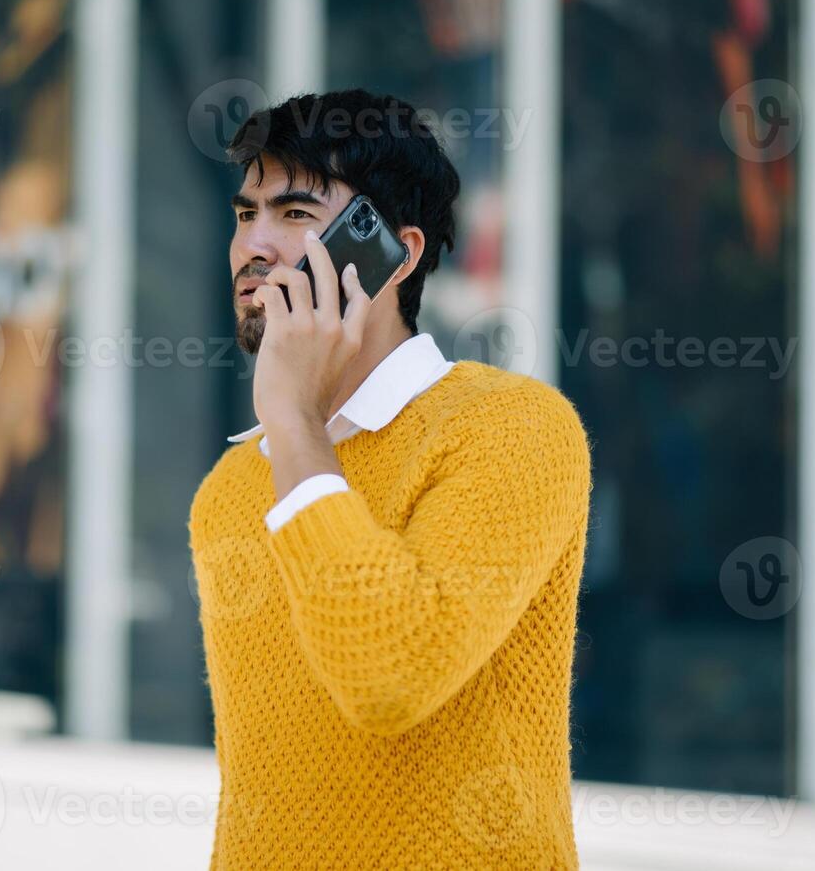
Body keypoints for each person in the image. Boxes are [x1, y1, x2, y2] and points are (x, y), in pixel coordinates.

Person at [187, 90, 594, 869]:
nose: (254, 245)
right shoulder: (232, 490)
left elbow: (389, 675)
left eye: (296, 213)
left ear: (395, 253)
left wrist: (296, 422)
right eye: (245, 215)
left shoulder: (509, 430)